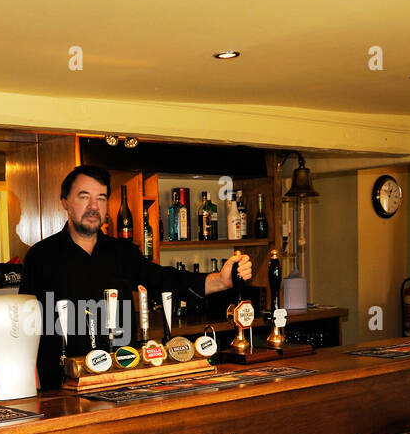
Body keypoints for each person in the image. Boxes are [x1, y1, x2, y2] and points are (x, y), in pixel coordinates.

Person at [20, 164, 252, 389]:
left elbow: (165, 280)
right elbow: (25, 326)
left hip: (121, 377)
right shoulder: (41, 257)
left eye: (101, 198)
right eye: (84, 197)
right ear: (65, 202)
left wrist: (221, 281)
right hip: (63, 383)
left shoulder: (123, 252)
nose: (93, 206)